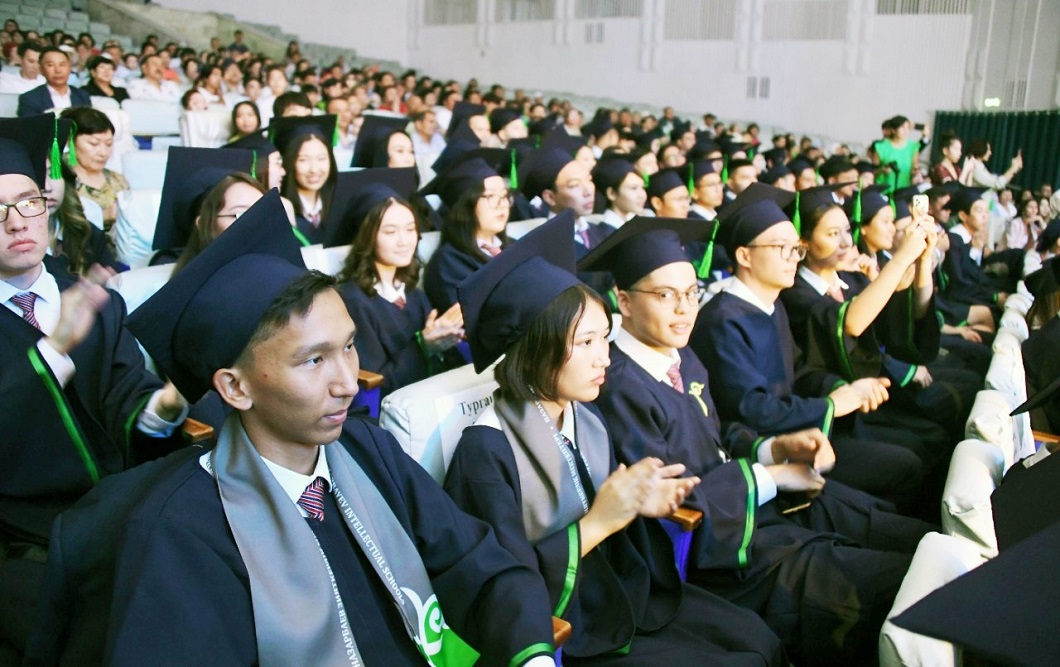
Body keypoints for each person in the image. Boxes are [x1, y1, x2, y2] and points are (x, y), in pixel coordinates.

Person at [102, 191, 558, 666]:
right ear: (235, 388)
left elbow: (475, 561)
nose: (347, 384)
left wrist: (533, 658)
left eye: (350, 346)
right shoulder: (180, 532)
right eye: (313, 360)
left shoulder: (370, 449)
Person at [581, 216, 931, 664]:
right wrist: (769, 476)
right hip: (718, 553)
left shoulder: (680, 356)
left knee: (909, 542)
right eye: (665, 295)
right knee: (893, 583)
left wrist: (776, 448)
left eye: (691, 293)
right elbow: (670, 498)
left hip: (750, 511)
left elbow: (718, 435)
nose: (684, 309)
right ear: (625, 302)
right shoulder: (619, 388)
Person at [446, 213, 786, 665]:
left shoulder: (585, 417)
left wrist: (640, 506)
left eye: (604, 338)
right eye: (585, 342)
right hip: (567, 632)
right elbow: (501, 588)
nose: (604, 358)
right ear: (534, 347)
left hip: (623, 594)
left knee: (759, 638)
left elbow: (622, 542)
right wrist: (600, 522)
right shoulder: (485, 452)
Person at [0, 114, 187, 660]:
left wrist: (167, 403)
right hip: (24, 532)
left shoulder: (90, 299)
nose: (16, 222)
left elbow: (127, 392)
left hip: (121, 506)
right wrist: (53, 349)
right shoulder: (73, 312)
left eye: (27, 202)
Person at [692, 184, 926, 512]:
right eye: (782, 248)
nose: (793, 259)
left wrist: (843, 389)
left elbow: (799, 369)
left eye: (795, 249)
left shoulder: (772, 305)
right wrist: (829, 405)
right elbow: (749, 408)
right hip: (765, 452)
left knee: (913, 454)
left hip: (801, 429)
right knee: (904, 469)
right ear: (744, 256)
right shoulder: (722, 319)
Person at [334, 176, 464, 396]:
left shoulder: (414, 294)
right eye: (390, 232)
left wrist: (446, 338)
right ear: (367, 237)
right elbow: (376, 385)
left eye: (410, 229)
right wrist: (424, 347)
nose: (404, 241)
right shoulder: (352, 301)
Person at [424, 157, 511, 311]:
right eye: (490, 196)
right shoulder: (447, 265)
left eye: (504, 196)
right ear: (465, 207)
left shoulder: (515, 245)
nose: (502, 204)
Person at [42, 126, 118, 275]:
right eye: (37, 178)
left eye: (54, 174)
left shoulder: (86, 232)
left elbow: (115, 281)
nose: (47, 187)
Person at [60, 107, 128, 232]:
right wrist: (102, 217)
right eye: (94, 143)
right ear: (70, 141)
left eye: (108, 144)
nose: (103, 153)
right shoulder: (59, 179)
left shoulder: (117, 180)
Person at [275, 114, 339, 245]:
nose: (314, 169)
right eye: (303, 160)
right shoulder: (281, 210)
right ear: (289, 162)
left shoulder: (339, 206)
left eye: (321, 158)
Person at [17, 46, 91, 116]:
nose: (58, 70)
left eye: (62, 65)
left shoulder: (82, 96)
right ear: (41, 69)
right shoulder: (29, 99)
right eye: (50, 65)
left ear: (69, 68)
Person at [591, 157, 645, 229]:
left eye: (643, 188)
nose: (642, 195)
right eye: (633, 188)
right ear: (612, 193)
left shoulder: (638, 224)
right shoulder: (605, 231)